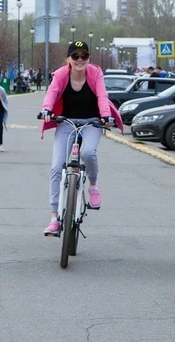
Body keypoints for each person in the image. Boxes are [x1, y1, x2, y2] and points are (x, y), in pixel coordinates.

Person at [39, 40, 124, 237]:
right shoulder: (61, 74)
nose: (80, 60)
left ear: (88, 58)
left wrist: (105, 116)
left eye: (84, 56)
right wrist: (46, 110)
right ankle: (54, 219)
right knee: (57, 166)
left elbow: (102, 96)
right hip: (66, 122)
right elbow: (51, 93)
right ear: (68, 59)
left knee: (88, 153)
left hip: (92, 122)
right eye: (75, 56)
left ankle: (93, 185)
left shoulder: (95, 73)